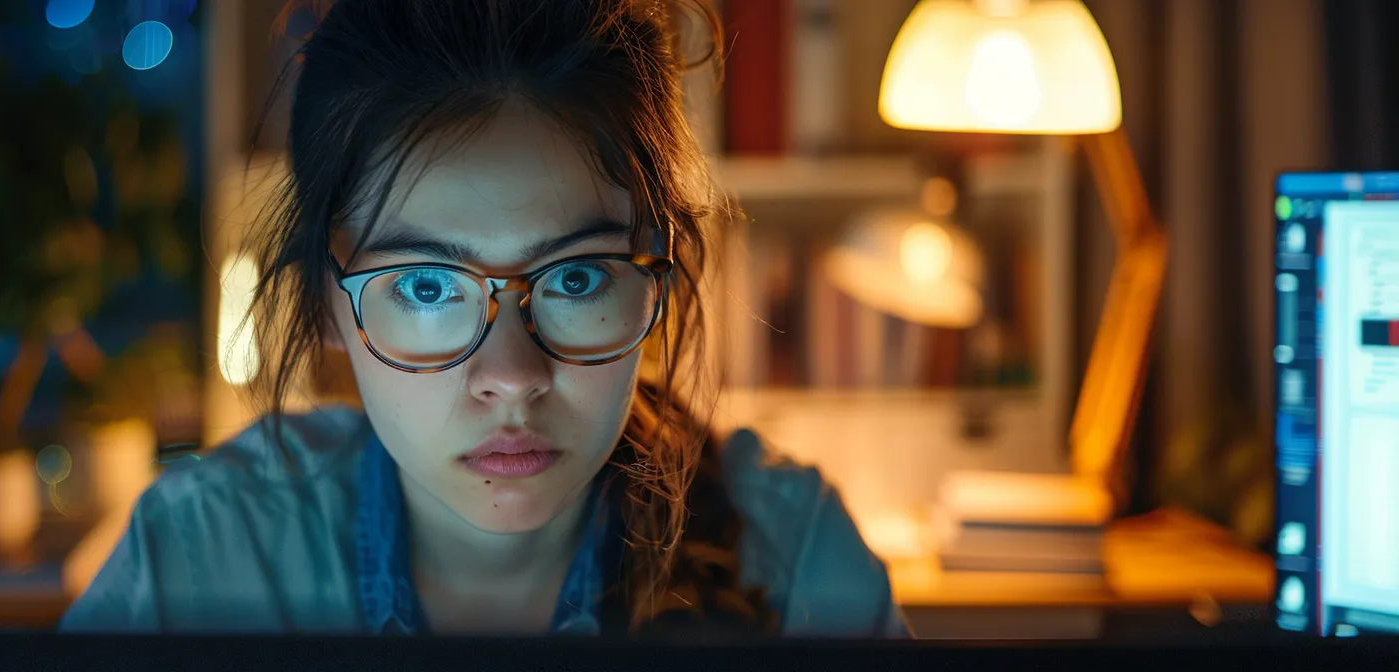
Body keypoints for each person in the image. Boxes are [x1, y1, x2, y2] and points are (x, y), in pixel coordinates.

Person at [61, 0, 907, 638]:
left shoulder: (798, 568)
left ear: (658, 282)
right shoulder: (198, 565)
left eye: (576, 276)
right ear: (327, 301)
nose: (511, 376)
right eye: (427, 287)